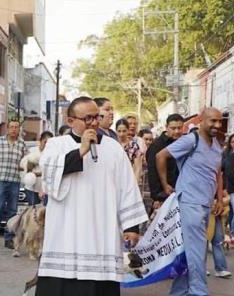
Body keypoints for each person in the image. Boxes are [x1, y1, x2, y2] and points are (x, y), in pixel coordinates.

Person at [37, 96, 148, 296]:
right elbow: (48, 176)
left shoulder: (113, 148)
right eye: (88, 118)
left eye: (97, 117)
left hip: (101, 232)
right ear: (70, 121)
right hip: (66, 232)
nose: (94, 123)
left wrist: (131, 227)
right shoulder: (56, 145)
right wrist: (81, 151)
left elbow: (127, 186)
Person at [156, 107, 224, 296]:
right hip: (189, 202)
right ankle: (198, 291)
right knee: (197, 251)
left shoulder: (217, 144)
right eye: (213, 121)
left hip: (206, 204)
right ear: (201, 120)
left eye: (219, 121)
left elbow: (218, 173)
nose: (217, 125)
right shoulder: (190, 140)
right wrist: (165, 185)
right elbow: (160, 156)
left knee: (190, 250)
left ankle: (179, 291)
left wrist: (219, 199)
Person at [0, 119, 27, 248]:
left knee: (12, 211)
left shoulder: (22, 144)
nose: (14, 129)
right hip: (0, 180)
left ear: (19, 129)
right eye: (12, 127)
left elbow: (26, 161)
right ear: (7, 128)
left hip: (15, 181)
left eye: (16, 127)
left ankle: (8, 237)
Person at [146, 113, 184, 207]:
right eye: (173, 128)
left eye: (179, 128)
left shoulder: (184, 143)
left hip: (181, 192)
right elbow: (152, 172)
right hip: (163, 194)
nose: (177, 131)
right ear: (166, 127)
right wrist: (156, 197)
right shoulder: (156, 146)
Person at [20, 131, 54, 205]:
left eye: (49, 143)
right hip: (31, 187)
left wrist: (38, 173)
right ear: (40, 140)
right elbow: (24, 166)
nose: (47, 145)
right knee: (33, 210)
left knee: (44, 212)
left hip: (46, 189)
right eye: (45, 142)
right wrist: (30, 166)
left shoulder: (53, 154)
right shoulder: (32, 151)